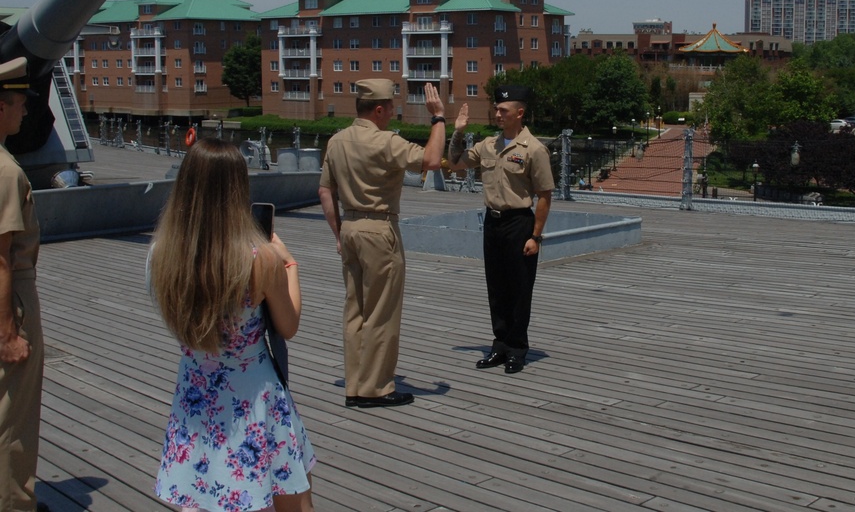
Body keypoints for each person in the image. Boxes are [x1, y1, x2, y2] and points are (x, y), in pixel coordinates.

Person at [150, 138, 315, 512]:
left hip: (194, 397)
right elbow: (288, 325)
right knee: (294, 501)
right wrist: (290, 266)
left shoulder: (161, 255)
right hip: (253, 401)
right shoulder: (261, 259)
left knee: (206, 497)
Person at [318, 80, 445, 408]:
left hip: (349, 228)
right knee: (382, 312)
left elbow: (324, 191)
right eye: (391, 108)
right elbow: (431, 160)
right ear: (378, 109)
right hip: (379, 229)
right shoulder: (386, 141)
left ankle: (355, 385)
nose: (393, 113)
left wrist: (338, 234)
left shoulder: (336, 141)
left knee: (355, 311)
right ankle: (376, 388)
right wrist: (439, 118)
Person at [447, 85, 554, 374]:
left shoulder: (534, 149)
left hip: (520, 222)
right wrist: (457, 131)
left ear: (519, 113)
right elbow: (455, 163)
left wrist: (536, 236)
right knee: (496, 287)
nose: (497, 114)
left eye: (503, 110)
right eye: (496, 109)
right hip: (493, 222)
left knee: (519, 289)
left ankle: (517, 348)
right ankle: (500, 344)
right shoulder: (487, 146)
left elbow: (544, 195)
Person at [0, 58, 45, 512]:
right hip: (12, 299)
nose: (26, 112)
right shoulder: (5, 171)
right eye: (19, 103)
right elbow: (0, 258)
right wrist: (9, 333)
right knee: (11, 415)